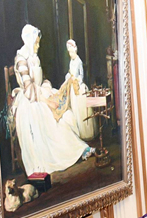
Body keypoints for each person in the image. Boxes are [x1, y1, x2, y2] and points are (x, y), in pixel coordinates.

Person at [10, 25, 94, 176]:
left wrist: (47, 88)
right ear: (29, 41)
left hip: (40, 92)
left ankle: (77, 149)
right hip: (31, 99)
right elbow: (28, 88)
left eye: (38, 43)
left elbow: (41, 80)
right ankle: (64, 154)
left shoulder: (34, 56)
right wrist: (47, 101)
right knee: (48, 119)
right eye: (36, 43)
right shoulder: (21, 59)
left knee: (65, 115)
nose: (38, 46)